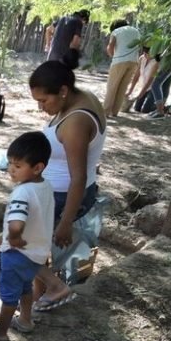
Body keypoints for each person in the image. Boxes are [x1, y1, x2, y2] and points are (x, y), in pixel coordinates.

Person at [29, 55, 107, 311]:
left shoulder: (76, 123)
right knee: (38, 249)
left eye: (43, 100)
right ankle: (37, 302)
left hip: (62, 196)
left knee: (21, 248)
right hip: (57, 193)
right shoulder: (79, 96)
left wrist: (65, 222)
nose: (41, 108)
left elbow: (79, 176)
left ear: (63, 91)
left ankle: (54, 287)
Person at [0, 132, 54, 341]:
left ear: (37, 167)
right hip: (36, 254)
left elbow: (16, 223)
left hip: (16, 254)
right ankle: (25, 320)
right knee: (25, 288)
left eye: (17, 166)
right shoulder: (46, 186)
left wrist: (14, 237)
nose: (11, 170)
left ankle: (1, 332)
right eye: (10, 163)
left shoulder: (22, 193)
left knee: (8, 297)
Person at [103, 20, 141, 118]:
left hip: (119, 61)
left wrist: (113, 56)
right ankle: (115, 112)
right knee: (122, 87)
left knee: (112, 86)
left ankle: (105, 112)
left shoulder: (116, 31)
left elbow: (110, 47)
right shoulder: (136, 30)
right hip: (134, 61)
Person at [126, 47, 160, 113]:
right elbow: (137, 75)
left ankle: (160, 107)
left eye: (147, 54)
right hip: (142, 86)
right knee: (137, 108)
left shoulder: (156, 62)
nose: (145, 55)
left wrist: (142, 93)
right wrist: (130, 90)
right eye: (144, 53)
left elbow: (151, 80)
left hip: (151, 88)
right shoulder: (142, 58)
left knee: (145, 110)